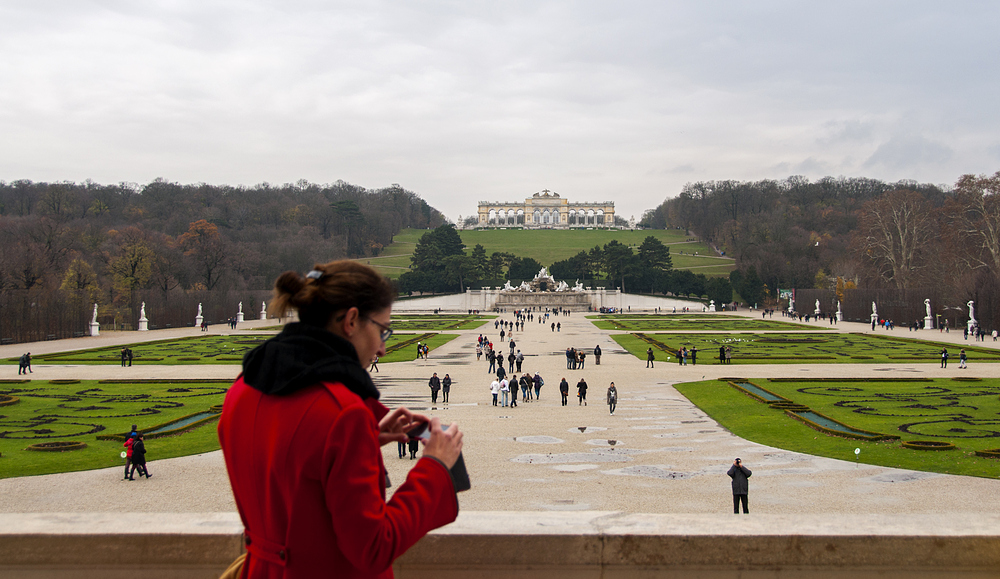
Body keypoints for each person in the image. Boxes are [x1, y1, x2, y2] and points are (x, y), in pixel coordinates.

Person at [218, 260, 462, 578]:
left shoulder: (241, 389)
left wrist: (365, 440)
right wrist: (434, 467)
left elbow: (292, 467)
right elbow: (373, 547)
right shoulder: (343, 416)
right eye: (382, 330)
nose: (383, 349)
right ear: (351, 321)